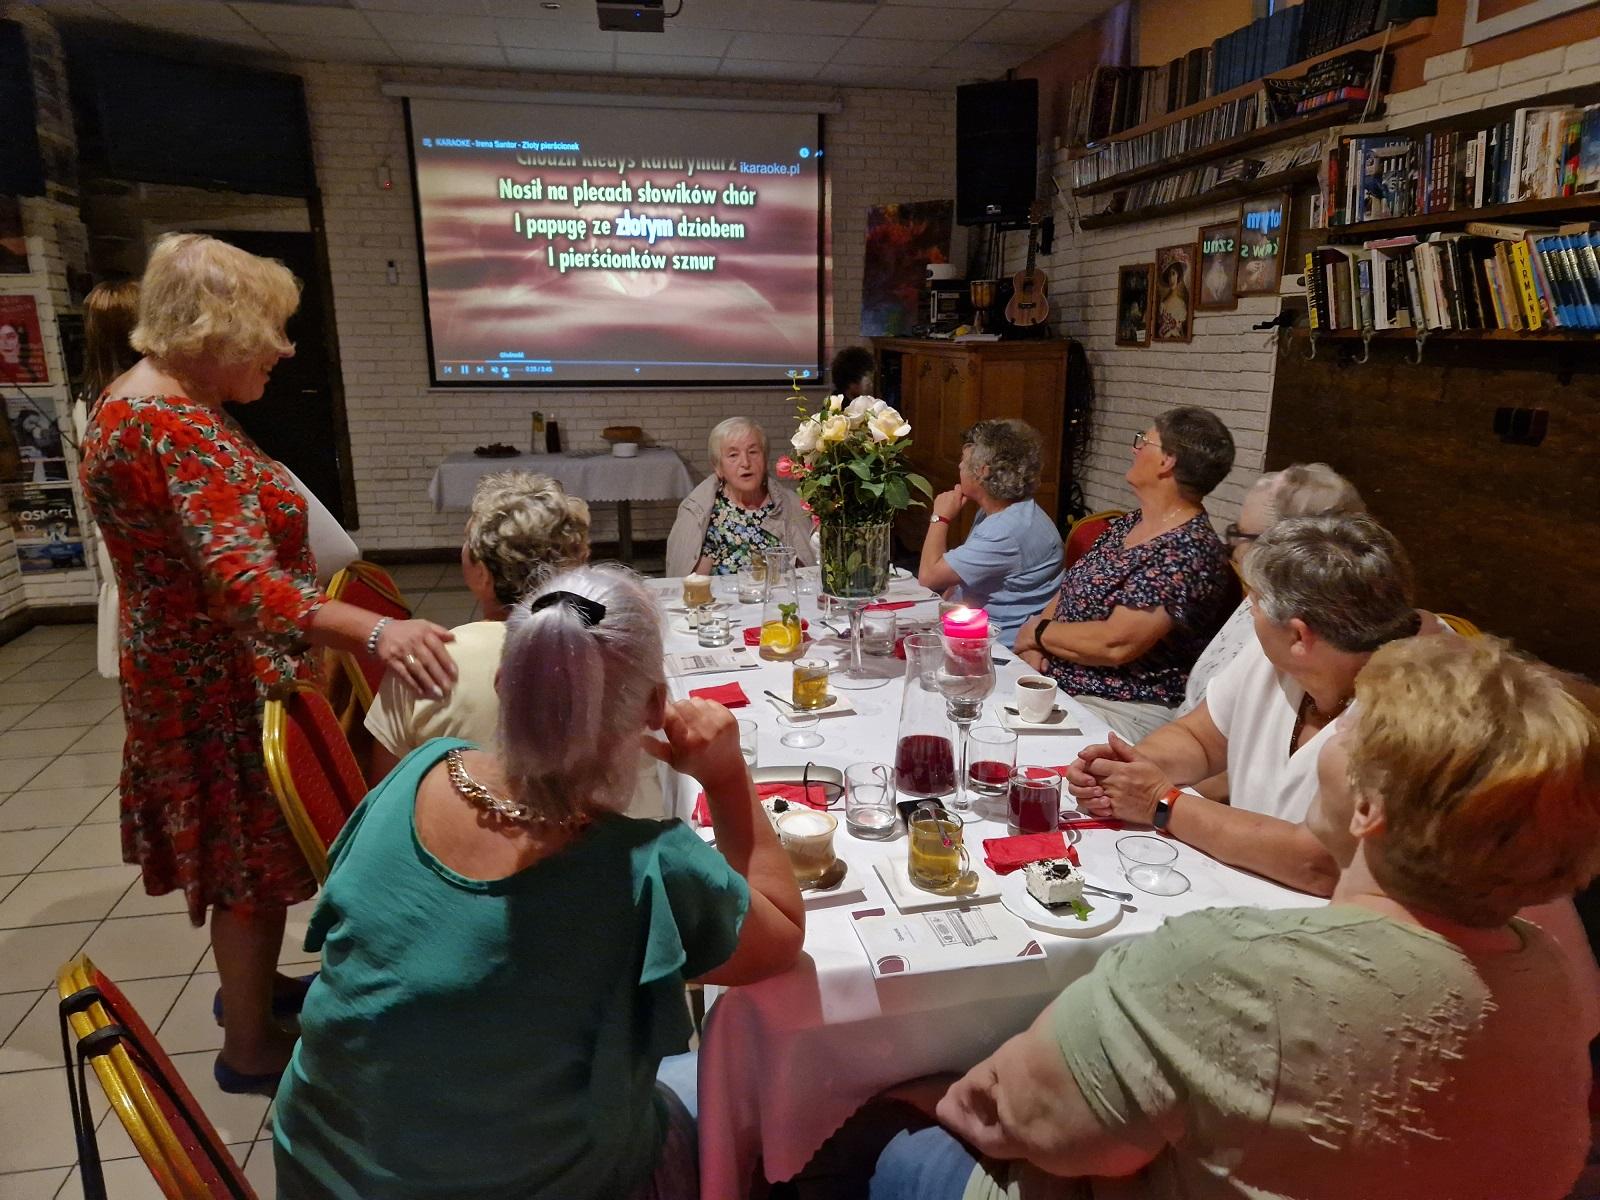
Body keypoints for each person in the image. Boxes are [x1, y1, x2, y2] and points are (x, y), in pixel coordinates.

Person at [869, 634, 1600, 1200]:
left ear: (1371, 809)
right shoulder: (1554, 979)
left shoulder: (1230, 963)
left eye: (1352, 725)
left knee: (884, 1129)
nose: (1328, 730)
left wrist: (920, 1090)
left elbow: (1013, 1119)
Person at [272, 566, 806, 1200]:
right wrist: (725, 775)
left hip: (319, 1170)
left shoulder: (414, 772)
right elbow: (782, 935)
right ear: (655, 710)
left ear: (504, 683)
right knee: (737, 1090)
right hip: (530, 1184)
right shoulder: (648, 866)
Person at [78, 232, 458, 1094]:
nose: (286, 350)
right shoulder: (172, 425)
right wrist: (373, 632)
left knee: (241, 855)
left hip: (187, 666)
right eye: (270, 330)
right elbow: (243, 584)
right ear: (211, 330)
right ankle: (249, 1050)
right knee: (247, 865)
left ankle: (255, 995)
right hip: (212, 678)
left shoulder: (145, 403)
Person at [1067, 514, 1418, 896]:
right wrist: (1124, 772)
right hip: (1241, 887)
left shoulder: (1408, 710)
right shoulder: (1278, 656)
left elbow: (1320, 864)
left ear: (1300, 635)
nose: (1249, 608)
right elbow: (1200, 738)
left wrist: (1160, 802)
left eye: (1256, 600)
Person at [1014, 407, 1236, 742]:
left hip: (1123, 705)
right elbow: (1073, 587)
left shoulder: (1187, 549)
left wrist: (1039, 633)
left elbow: (1117, 643)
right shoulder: (1134, 522)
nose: (1134, 449)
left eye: (1143, 442)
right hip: (1062, 683)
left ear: (1167, 462)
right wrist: (1037, 648)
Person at [365, 470, 590, 779]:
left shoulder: (426, 659)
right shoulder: (603, 650)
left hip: (450, 823)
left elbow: (384, 786)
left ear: (483, 575)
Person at [1178, 463, 1365, 717]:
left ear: (1294, 549)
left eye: (1241, 535)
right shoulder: (1261, 595)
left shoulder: (1303, 635)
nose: (1233, 548)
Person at [917, 419, 1064, 645]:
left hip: (999, 646)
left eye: (963, 461)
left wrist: (940, 517)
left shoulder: (1006, 531)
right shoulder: (1007, 512)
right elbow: (959, 581)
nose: (958, 467)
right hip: (978, 630)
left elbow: (928, 576)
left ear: (983, 471)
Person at [665, 415, 816, 577]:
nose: (745, 462)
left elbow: (808, 573)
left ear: (765, 459)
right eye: (733, 455)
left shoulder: (790, 505)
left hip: (778, 598)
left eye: (753, 452)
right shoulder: (698, 511)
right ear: (718, 468)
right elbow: (689, 582)